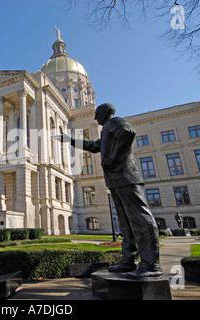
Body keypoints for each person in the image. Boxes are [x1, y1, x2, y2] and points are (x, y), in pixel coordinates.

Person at [63, 103, 162, 278]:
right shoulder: (107, 129)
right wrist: (70, 140)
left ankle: (150, 264)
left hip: (125, 176)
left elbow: (128, 133)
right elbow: (93, 146)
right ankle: (128, 261)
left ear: (106, 113)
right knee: (125, 221)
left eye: (97, 114)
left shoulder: (115, 122)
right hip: (116, 179)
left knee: (140, 218)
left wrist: (113, 158)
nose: (95, 118)